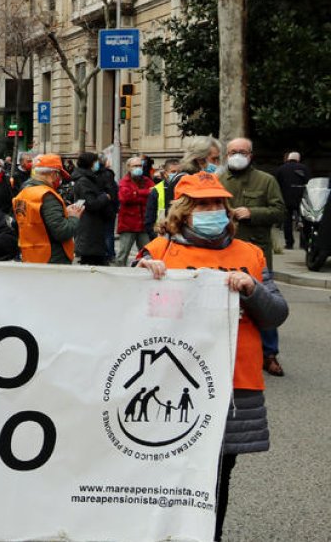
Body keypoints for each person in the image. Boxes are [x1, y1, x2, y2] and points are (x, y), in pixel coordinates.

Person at [135, 172, 289, 542]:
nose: (213, 210)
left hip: (233, 383)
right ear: (184, 211)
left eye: (218, 203)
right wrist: (139, 279)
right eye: (203, 204)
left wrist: (252, 289)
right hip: (169, 383)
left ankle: (208, 535)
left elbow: (276, 314)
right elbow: (130, 317)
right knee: (164, 466)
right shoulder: (158, 252)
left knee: (218, 472)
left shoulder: (249, 255)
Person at [219, 137, 287, 376]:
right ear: (226, 155)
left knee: (261, 300)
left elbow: (280, 212)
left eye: (242, 151)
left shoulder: (266, 181)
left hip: (255, 251)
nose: (237, 155)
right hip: (223, 251)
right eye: (232, 151)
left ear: (251, 155)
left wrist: (253, 212)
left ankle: (269, 354)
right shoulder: (218, 181)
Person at [12, 154, 84, 264]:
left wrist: (64, 213)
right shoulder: (47, 195)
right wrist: (74, 217)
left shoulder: (24, 192)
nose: (60, 179)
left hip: (31, 256)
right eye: (59, 175)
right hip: (52, 258)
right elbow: (62, 232)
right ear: (53, 174)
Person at [72, 152, 117, 266]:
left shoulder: (90, 178)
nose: (98, 164)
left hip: (94, 226)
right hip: (89, 227)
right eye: (95, 161)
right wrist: (105, 197)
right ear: (90, 163)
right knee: (92, 262)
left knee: (95, 261)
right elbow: (91, 203)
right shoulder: (83, 181)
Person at [115, 155, 154, 266]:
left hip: (144, 224)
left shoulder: (147, 180)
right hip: (128, 224)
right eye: (135, 166)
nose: (138, 168)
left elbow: (154, 195)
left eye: (140, 166)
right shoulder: (124, 181)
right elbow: (125, 198)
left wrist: (136, 193)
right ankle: (118, 274)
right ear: (129, 167)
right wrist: (145, 193)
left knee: (148, 254)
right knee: (123, 254)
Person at [274, 151, 311, 250]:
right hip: (301, 199)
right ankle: (304, 243)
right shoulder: (304, 168)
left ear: (288, 159)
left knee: (287, 222)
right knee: (304, 221)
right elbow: (309, 183)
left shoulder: (281, 169)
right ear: (298, 159)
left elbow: (275, 184)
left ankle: (289, 243)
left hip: (285, 199)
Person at [145, 158, 183, 233]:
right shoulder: (156, 190)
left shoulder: (186, 188)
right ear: (165, 173)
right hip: (161, 233)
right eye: (173, 172)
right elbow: (150, 218)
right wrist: (154, 235)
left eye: (179, 172)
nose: (176, 175)